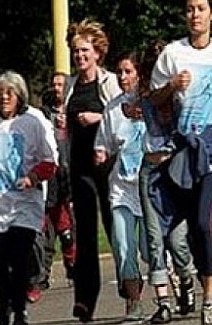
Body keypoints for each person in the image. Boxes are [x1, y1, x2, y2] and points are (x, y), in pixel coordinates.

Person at [149, 0, 212, 325]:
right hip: (182, 149)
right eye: (190, 9)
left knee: (205, 222)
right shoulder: (173, 54)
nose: (195, 15)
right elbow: (155, 99)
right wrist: (172, 86)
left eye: (201, 8)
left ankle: (208, 300)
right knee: (191, 231)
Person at [0, 71, 58, 325]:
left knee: (20, 257)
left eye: (9, 92)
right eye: (0, 92)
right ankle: (4, 303)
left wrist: (32, 177)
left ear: (19, 95)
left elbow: (50, 161)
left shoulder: (34, 120)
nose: (3, 97)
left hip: (26, 202)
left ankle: (19, 310)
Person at [64, 19, 122, 322]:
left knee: (116, 228)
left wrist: (97, 117)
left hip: (107, 166)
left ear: (97, 52)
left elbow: (121, 119)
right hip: (80, 165)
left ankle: (130, 287)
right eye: (76, 51)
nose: (80, 56)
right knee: (84, 233)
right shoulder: (71, 85)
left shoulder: (109, 82)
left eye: (85, 51)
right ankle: (85, 299)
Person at [137, 40, 196, 324]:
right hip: (150, 169)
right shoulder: (145, 96)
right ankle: (163, 302)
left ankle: (186, 278)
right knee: (153, 240)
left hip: (177, 171)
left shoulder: (181, 97)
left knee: (177, 240)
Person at [95, 52, 149, 322]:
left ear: (139, 74)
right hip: (121, 189)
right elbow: (102, 143)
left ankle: (172, 278)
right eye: (120, 72)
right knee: (123, 247)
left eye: (128, 71)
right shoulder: (112, 109)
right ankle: (134, 302)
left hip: (147, 189)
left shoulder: (152, 102)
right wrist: (101, 154)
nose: (123, 77)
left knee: (149, 250)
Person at [29, 72, 76, 302]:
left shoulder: (76, 107)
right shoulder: (44, 113)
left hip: (70, 177)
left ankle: (73, 265)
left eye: (61, 85)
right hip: (50, 179)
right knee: (45, 232)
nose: (57, 88)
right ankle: (41, 277)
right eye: (54, 84)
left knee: (67, 231)